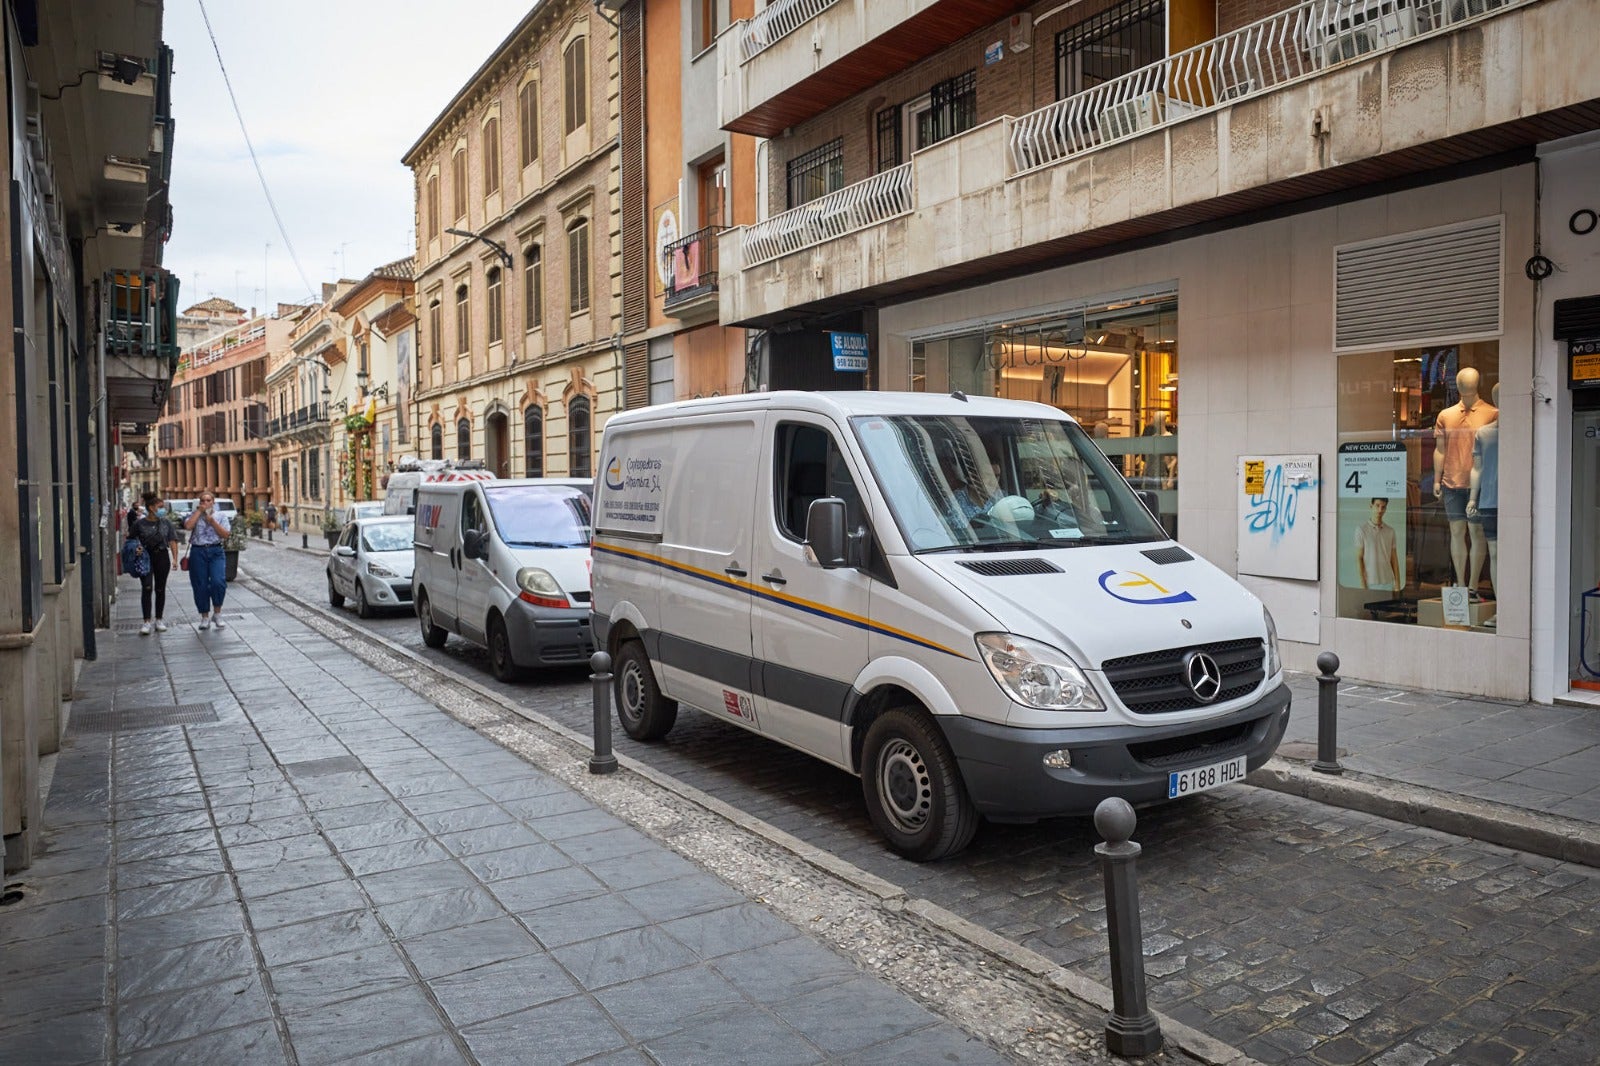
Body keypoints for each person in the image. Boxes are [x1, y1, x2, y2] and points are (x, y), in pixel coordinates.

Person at [128, 491, 180, 635]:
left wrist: (175, 558)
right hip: (145, 557)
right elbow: (130, 540)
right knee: (147, 587)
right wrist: (135, 548)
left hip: (162, 556)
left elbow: (173, 540)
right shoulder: (139, 524)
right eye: (160, 507)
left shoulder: (166, 523)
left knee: (160, 589)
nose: (163, 509)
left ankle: (159, 619)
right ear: (151, 508)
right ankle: (146, 621)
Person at [183, 490, 232, 630]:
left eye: (208, 500)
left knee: (218, 582)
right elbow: (188, 526)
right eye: (203, 501)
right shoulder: (194, 515)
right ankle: (204, 616)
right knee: (200, 585)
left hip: (216, 550)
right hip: (198, 551)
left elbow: (225, 534)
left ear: (213, 502)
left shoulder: (221, 515)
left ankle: (217, 613)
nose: (206, 503)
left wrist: (212, 522)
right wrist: (199, 512)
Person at [1355, 497, 1402, 595]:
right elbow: (1359, 558)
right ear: (1371, 506)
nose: (1380, 510)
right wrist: (1363, 584)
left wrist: (1397, 584)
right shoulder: (1361, 530)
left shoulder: (1390, 531)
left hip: (1388, 582)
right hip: (1370, 583)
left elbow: (1394, 559)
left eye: (1383, 507)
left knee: (1387, 610)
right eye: (1377, 506)